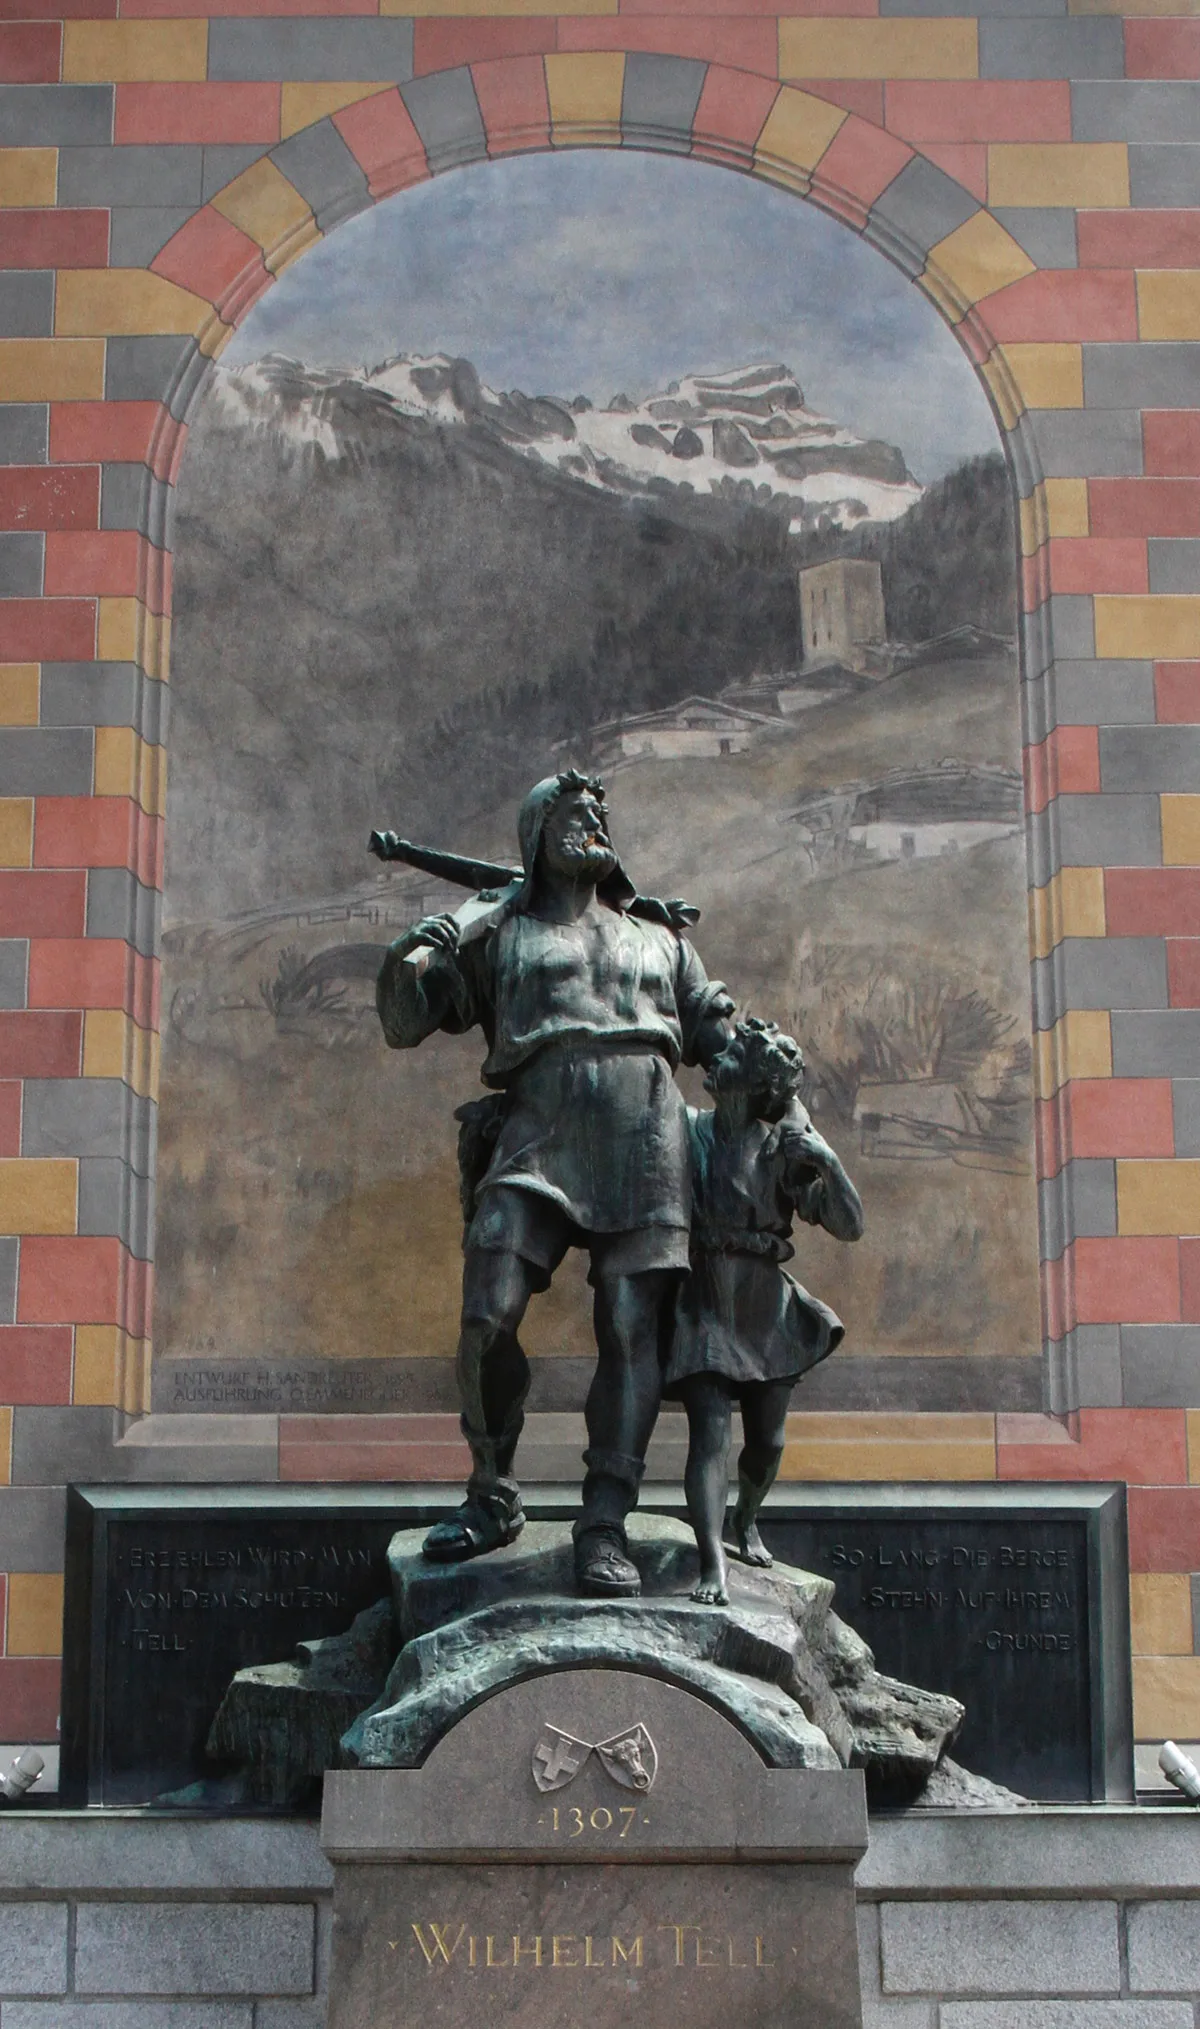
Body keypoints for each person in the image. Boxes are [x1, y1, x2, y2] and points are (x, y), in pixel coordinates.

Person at [375, 769, 734, 1597]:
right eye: (573, 814)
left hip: (648, 1134)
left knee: (630, 1325)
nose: (592, 823)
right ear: (536, 831)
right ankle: (492, 1491)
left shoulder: (662, 937)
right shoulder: (501, 934)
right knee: (486, 1316)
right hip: (537, 1130)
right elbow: (406, 1021)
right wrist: (418, 951)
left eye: (599, 814)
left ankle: (603, 1523)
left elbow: (718, 1030)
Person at [663, 1017, 864, 1606]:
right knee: (709, 1438)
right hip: (703, 1301)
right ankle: (712, 1563)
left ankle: (746, 1517)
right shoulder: (686, 1129)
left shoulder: (781, 1149)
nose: (713, 1061)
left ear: (750, 1082)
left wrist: (828, 1161)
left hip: (764, 1306)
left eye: (729, 1058)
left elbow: (850, 1226)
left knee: (768, 1444)